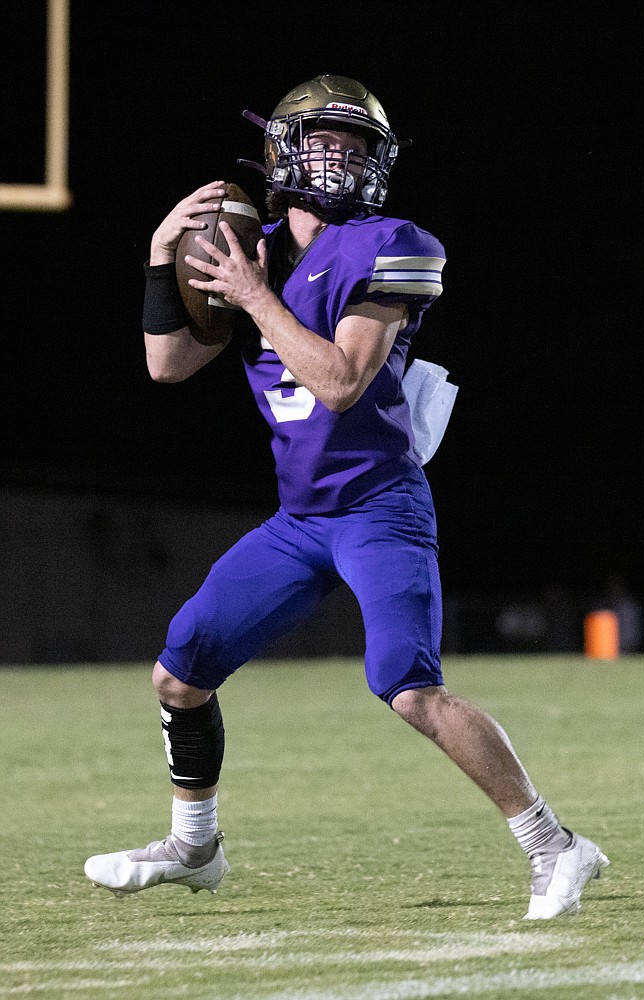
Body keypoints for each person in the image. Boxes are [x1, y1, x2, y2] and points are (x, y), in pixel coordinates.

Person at [84, 74, 608, 918]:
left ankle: (556, 845)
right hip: (300, 520)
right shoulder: (256, 250)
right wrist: (158, 260)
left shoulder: (391, 244)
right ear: (280, 153)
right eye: (323, 142)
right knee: (179, 673)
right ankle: (195, 846)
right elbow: (166, 364)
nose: (340, 160)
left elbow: (338, 382)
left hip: (378, 507)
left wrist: (254, 299)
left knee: (408, 685)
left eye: (356, 147)